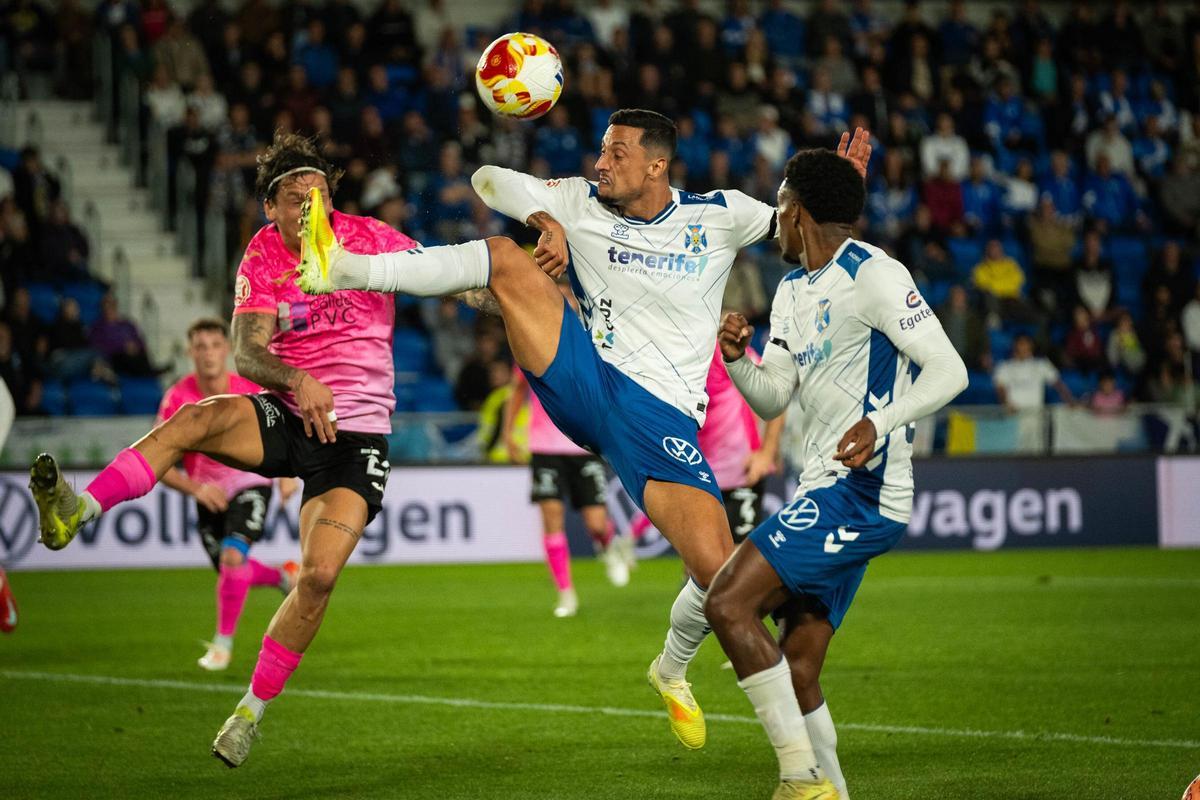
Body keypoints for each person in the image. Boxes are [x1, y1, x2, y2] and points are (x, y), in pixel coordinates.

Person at [293, 110, 870, 753]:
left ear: (657, 164)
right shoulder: (575, 200)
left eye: (617, 153)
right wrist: (546, 221)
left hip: (660, 417)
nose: (602, 162)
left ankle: (670, 668)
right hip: (587, 377)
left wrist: (835, 193)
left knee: (721, 578)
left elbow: (795, 226)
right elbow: (487, 178)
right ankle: (339, 268)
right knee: (504, 259)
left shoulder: (720, 213)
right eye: (601, 149)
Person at [28, 132, 418, 768]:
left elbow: (456, 283)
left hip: (356, 438)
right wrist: (297, 380)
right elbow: (246, 353)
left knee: (317, 576)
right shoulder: (263, 255)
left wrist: (508, 284)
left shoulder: (370, 237)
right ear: (271, 207)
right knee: (195, 417)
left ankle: (248, 711)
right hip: (288, 413)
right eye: (296, 199)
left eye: (319, 195)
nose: (310, 209)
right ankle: (78, 511)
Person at [705, 148, 967, 800]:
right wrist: (736, 361)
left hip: (863, 495)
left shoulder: (876, 274)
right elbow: (773, 395)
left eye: (781, 209)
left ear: (798, 213)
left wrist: (881, 423)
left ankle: (801, 780)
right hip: (821, 490)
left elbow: (949, 371)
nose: (775, 222)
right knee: (798, 668)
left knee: (728, 602)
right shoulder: (792, 289)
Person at [157, 317, 300, 671]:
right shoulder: (177, 397)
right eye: (200, 346)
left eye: (215, 345)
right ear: (190, 352)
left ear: (227, 349)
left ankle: (222, 646)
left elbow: (280, 432)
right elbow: (157, 460)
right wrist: (196, 489)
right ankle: (283, 576)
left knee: (232, 558)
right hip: (208, 495)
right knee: (231, 568)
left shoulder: (247, 389)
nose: (208, 353)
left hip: (251, 482)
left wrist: (285, 473)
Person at [503, 335, 631, 618]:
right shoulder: (531, 344)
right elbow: (517, 390)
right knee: (551, 517)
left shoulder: (587, 346)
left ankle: (608, 546)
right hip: (543, 447)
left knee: (596, 524)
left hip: (583, 446)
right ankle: (565, 593)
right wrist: (509, 433)